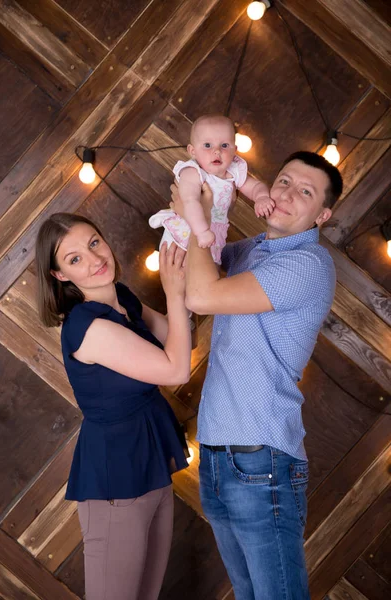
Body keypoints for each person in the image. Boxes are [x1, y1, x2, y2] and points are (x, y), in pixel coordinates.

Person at [171, 151, 343, 600]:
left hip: (260, 460)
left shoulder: (308, 264)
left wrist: (197, 213)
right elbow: (189, 272)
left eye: (305, 192)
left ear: (322, 214)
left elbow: (202, 295)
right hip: (216, 454)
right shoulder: (249, 251)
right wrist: (198, 206)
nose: (286, 194)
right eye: (283, 181)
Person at [35, 213, 191, 600]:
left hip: (150, 460)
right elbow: (177, 369)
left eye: (93, 243)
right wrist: (173, 291)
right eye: (73, 259)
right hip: (114, 476)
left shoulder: (121, 297)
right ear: (59, 276)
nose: (93, 259)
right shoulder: (88, 327)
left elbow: (176, 334)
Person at [149, 114, 274, 264]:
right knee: (181, 268)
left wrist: (261, 197)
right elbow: (190, 201)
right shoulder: (193, 172)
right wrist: (201, 231)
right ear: (193, 151)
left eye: (224, 145)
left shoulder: (234, 171)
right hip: (187, 231)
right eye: (207, 145)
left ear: (235, 149)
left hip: (214, 235)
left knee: (206, 275)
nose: (217, 151)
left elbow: (255, 186)